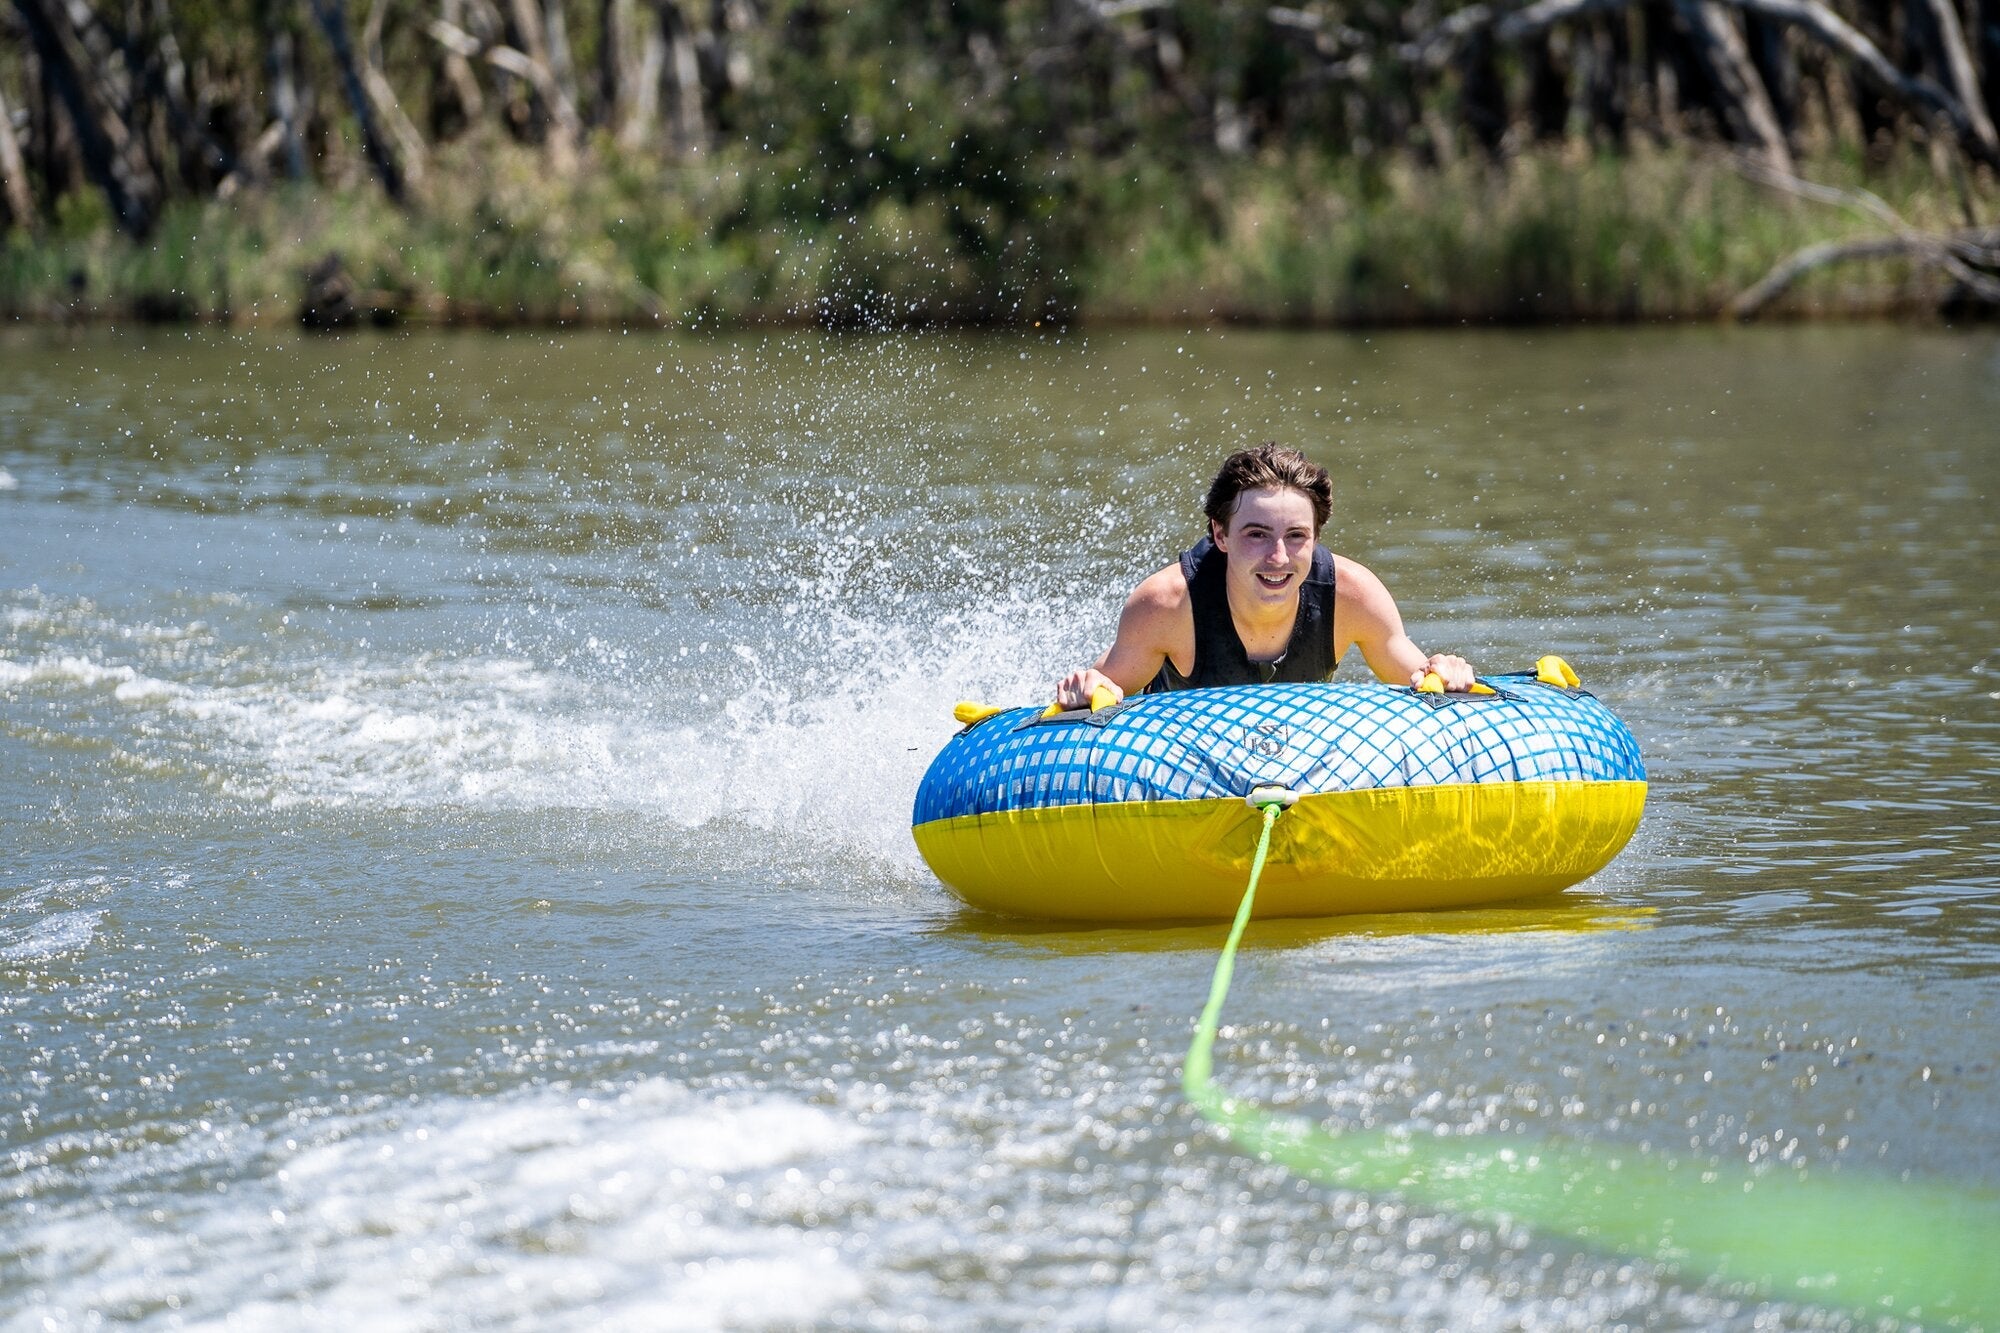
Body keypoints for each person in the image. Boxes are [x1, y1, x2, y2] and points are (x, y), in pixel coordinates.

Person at [1053, 443, 1476, 708]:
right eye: (1256, 534)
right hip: (1177, 774)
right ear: (1220, 534)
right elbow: (1103, 695)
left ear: (1316, 537)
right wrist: (1085, 689)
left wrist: (1446, 671)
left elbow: (1421, 681)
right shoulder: (1167, 603)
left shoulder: (1353, 595)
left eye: (1296, 536)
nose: (1278, 557)